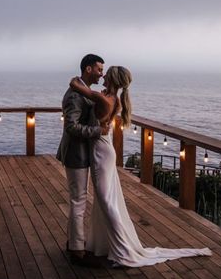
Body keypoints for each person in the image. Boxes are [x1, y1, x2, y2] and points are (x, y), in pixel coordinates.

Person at [69, 66, 211, 267]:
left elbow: (75, 85)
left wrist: (77, 79)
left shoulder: (104, 99)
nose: (103, 75)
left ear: (112, 79)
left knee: (107, 201)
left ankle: (122, 251)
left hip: (101, 152)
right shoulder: (114, 99)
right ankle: (106, 245)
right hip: (103, 149)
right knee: (107, 200)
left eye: (105, 73)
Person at [57, 54, 109, 266]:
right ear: (88, 69)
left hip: (83, 153)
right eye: (99, 69)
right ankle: (77, 250)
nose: (101, 73)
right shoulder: (74, 96)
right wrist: (98, 130)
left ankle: (74, 242)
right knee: (78, 201)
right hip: (75, 154)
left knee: (79, 200)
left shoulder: (82, 91)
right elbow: (71, 126)